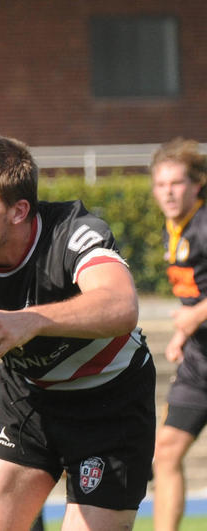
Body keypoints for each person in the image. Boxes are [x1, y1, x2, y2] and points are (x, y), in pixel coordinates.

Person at [0, 136, 156, 530]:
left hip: (111, 403)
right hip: (26, 397)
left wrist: (32, 320)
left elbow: (122, 305)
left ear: (18, 211)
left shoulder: (73, 233)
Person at [149, 138, 207, 531]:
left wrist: (196, 315)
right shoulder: (174, 228)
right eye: (160, 184)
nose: (168, 192)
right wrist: (183, 334)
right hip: (199, 362)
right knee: (165, 452)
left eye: (176, 183)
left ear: (197, 184)